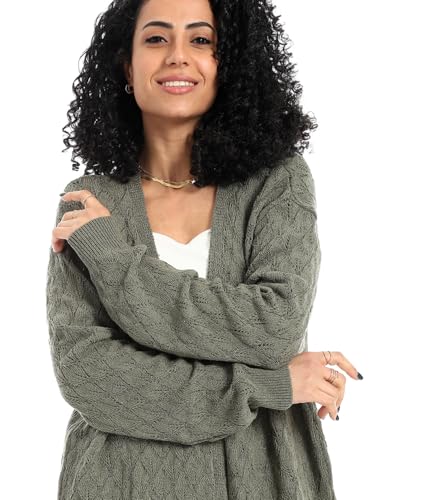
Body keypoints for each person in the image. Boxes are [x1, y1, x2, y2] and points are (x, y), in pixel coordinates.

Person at [46, 0, 364, 498]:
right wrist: (266, 385)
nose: (177, 55)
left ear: (229, 63)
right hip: (118, 482)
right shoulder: (89, 202)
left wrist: (116, 262)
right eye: (156, 38)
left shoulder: (277, 182)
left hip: (263, 478)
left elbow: (274, 329)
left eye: (201, 40)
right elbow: (88, 373)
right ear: (127, 66)